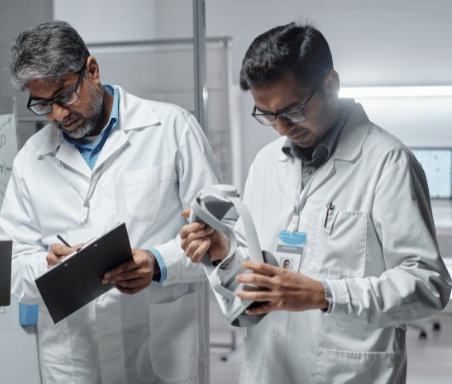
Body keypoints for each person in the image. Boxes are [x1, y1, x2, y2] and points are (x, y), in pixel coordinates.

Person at [180, 22, 452, 383]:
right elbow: (255, 276)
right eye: (267, 115)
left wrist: (324, 294)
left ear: (331, 85)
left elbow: (428, 285)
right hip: (268, 369)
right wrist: (224, 252)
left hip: (347, 373)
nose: (281, 129)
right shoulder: (265, 162)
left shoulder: (389, 162)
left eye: (291, 111)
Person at [0, 20, 222, 383]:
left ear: (92, 71)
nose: (56, 115)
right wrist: (47, 263)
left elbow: (222, 241)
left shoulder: (173, 129)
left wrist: (158, 263)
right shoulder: (29, 160)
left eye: (64, 97)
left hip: (159, 346)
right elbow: (12, 263)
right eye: (42, 105)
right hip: (73, 359)